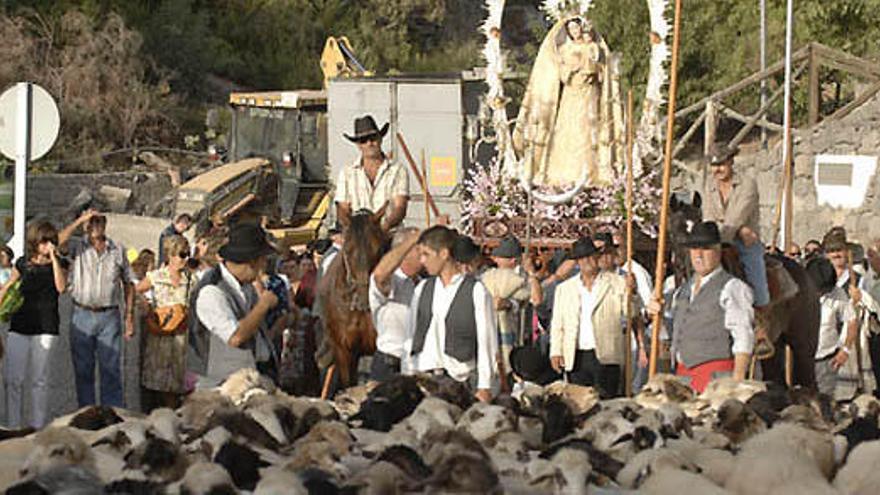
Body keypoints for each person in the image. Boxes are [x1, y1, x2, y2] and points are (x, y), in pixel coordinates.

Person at [512, 15, 623, 187]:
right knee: (567, 132)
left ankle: (590, 173)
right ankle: (562, 176)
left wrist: (593, 66)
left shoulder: (594, 46)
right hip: (571, 96)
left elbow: (603, 72)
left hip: (590, 94)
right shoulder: (564, 50)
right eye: (571, 29)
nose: (575, 32)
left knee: (588, 131)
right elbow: (560, 74)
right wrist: (573, 69)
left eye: (577, 28)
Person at [647, 222, 755, 392]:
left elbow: (743, 335)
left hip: (717, 379)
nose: (698, 255)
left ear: (718, 250)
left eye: (705, 249)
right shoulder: (681, 291)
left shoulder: (732, 287)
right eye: (694, 249)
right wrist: (658, 317)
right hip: (683, 378)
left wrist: (737, 381)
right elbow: (672, 333)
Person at [402, 226, 498, 402]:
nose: (422, 260)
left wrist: (485, 385)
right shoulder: (423, 288)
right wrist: (406, 374)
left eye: (426, 254)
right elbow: (411, 333)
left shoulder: (475, 290)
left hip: (458, 380)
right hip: (423, 377)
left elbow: (487, 340)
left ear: (444, 254)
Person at [59, 209, 134, 408]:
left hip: (109, 315)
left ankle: (112, 415)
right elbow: (58, 242)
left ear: (105, 225)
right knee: (83, 370)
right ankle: (88, 413)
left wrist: (129, 317)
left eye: (99, 222)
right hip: (82, 313)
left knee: (111, 369)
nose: (95, 226)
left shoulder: (118, 249)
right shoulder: (78, 246)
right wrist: (80, 220)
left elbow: (129, 283)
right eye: (91, 223)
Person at [190, 223, 279, 388]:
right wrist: (263, 305)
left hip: (246, 379)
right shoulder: (212, 291)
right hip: (219, 386)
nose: (264, 267)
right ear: (253, 262)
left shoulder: (246, 287)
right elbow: (235, 338)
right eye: (263, 261)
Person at [549, 236, 637, 398]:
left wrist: (632, 292)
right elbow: (557, 324)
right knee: (578, 403)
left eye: (590, 256)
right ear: (577, 262)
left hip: (606, 354)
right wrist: (556, 351)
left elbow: (630, 313)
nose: (587, 261)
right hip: (576, 355)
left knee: (606, 402)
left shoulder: (617, 283)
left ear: (597, 257)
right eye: (582, 258)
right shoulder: (565, 289)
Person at [0, 221, 66, 428]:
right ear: (35, 242)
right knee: (13, 379)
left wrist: (54, 259)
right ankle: (13, 425)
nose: (48, 245)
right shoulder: (23, 263)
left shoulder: (61, 263)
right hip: (20, 325)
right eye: (44, 241)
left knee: (40, 380)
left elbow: (61, 287)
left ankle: (37, 426)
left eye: (51, 241)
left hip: (46, 327)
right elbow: (9, 286)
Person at [702, 144, 770, 313]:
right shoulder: (708, 186)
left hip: (743, 243)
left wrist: (735, 229)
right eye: (714, 166)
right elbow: (708, 217)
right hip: (716, 241)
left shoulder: (747, 184)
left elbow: (737, 216)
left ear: (731, 162)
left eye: (722, 164)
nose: (718, 169)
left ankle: (761, 320)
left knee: (758, 283)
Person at [136, 235, 196, 411]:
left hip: (181, 337)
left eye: (187, 254)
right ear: (170, 255)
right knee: (156, 382)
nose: (185, 259)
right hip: (160, 335)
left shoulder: (191, 280)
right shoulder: (156, 276)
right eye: (181, 255)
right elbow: (135, 290)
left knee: (177, 385)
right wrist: (147, 308)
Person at [481, 236, 542, 388]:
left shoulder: (523, 278)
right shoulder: (489, 277)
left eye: (501, 257)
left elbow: (536, 299)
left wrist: (509, 303)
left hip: (518, 332)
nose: (496, 260)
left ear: (512, 260)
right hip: (492, 331)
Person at [335, 115, 409, 231]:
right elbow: (343, 209)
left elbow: (400, 207)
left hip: (389, 232)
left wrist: (385, 227)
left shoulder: (397, 170)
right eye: (364, 140)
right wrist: (351, 230)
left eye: (373, 138)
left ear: (380, 139)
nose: (370, 143)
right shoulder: (346, 173)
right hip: (357, 234)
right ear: (359, 145)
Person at [368, 227, 422, 382]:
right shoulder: (393, 281)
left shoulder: (422, 284)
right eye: (419, 250)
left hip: (415, 365)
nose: (424, 256)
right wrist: (413, 239)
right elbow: (379, 275)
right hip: (390, 364)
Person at [805, 257, 857, 397]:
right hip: (800, 360)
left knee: (824, 403)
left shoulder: (837, 293)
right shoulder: (798, 293)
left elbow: (851, 321)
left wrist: (845, 350)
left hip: (826, 359)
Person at [849, 238, 880, 396]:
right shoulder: (868, 278)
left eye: (872, 256)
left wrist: (865, 298)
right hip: (870, 335)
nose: (868, 260)